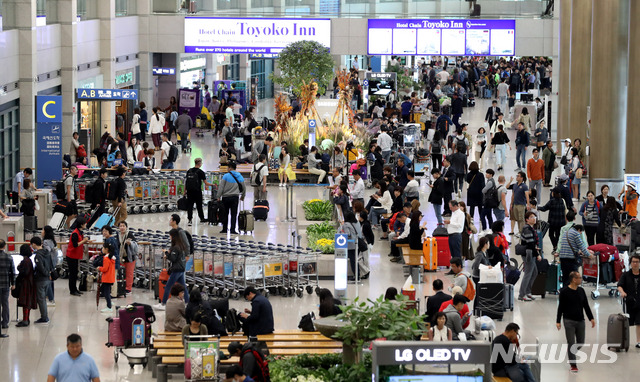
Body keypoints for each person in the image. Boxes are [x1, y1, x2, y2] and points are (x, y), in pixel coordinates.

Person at [556, 271, 596, 373]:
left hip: (580, 320)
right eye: (579, 278)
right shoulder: (564, 292)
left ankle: (570, 353)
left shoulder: (581, 291)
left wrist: (591, 318)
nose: (581, 279)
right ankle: (573, 364)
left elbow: (586, 306)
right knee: (571, 343)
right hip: (568, 321)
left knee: (580, 342)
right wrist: (558, 321)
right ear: (574, 279)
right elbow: (560, 307)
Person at [155, 228, 189, 310]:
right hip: (181, 269)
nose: (169, 237)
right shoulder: (181, 246)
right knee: (183, 286)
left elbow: (173, 258)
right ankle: (187, 302)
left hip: (176, 269)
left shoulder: (176, 247)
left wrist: (167, 254)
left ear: (173, 236)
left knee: (168, 286)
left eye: (170, 236)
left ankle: (163, 304)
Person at [558, 223, 593, 287]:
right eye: (581, 232)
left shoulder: (565, 233)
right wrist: (589, 255)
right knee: (574, 276)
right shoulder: (576, 234)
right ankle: (573, 291)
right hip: (571, 259)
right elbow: (581, 246)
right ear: (579, 230)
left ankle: (565, 291)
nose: (580, 234)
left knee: (565, 276)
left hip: (563, 258)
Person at [617, 255, 640, 349]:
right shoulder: (626, 275)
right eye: (633, 262)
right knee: (627, 322)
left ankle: (638, 341)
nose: (635, 264)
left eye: (637, 262)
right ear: (630, 263)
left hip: (639, 302)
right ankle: (624, 341)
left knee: (639, 322)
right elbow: (619, 285)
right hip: (629, 302)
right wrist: (622, 292)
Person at [218, 161, 246, 235]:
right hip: (235, 197)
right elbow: (244, 187)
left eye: (228, 167)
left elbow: (221, 187)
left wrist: (218, 196)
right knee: (234, 214)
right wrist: (243, 196)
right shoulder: (239, 175)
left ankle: (224, 229)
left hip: (225, 198)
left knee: (225, 213)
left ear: (230, 168)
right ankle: (233, 230)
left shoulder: (226, 176)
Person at [518, 212, 540, 301]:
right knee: (528, 273)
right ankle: (522, 294)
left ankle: (528, 291)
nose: (534, 218)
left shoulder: (531, 228)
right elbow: (530, 244)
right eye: (531, 217)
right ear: (527, 219)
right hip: (528, 254)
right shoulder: (527, 229)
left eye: (534, 217)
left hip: (531, 252)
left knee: (534, 272)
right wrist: (537, 255)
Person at [185, 158, 213, 226]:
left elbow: (186, 182)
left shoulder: (189, 171)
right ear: (200, 164)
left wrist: (184, 191)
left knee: (190, 206)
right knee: (199, 205)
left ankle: (189, 220)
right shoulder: (201, 172)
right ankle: (202, 218)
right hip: (197, 191)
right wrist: (212, 184)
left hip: (189, 191)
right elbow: (205, 183)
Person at [31, 237, 52, 324]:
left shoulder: (38, 255)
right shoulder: (47, 252)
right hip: (48, 279)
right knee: (43, 299)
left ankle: (44, 317)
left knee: (41, 299)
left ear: (34, 244)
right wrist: (49, 274)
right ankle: (44, 316)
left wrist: (45, 273)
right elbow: (51, 264)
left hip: (41, 279)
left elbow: (40, 268)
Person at [66, 216, 88, 296]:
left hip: (75, 256)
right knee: (72, 274)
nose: (86, 224)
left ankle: (75, 289)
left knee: (75, 273)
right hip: (71, 256)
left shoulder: (80, 232)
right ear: (81, 225)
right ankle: (72, 290)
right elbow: (75, 245)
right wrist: (84, 241)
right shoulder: (75, 233)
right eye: (84, 223)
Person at [15, 244, 36, 327]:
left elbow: (25, 272)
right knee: (27, 301)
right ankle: (26, 319)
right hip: (30, 282)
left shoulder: (25, 261)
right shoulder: (29, 260)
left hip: (26, 283)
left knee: (25, 301)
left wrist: (18, 268)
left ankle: (25, 320)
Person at [117, 221, 138, 293]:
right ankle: (121, 287)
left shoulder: (130, 235)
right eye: (120, 226)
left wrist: (130, 243)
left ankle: (128, 288)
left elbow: (135, 245)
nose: (122, 227)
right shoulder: (117, 235)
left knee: (129, 273)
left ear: (126, 227)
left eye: (123, 226)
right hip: (120, 257)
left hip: (129, 257)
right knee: (121, 273)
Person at [507, 172, 530, 236]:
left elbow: (527, 195)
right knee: (516, 218)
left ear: (522, 178)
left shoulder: (524, 186)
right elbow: (513, 195)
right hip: (515, 204)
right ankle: (519, 231)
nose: (517, 177)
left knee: (521, 219)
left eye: (518, 176)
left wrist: (528, 204)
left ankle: (521, 232)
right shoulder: (515, 185)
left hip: (521, 205)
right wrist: (511, 204)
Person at [97, 242, 116, 313]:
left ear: (106, 249)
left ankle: (109, 306)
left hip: (107, 278)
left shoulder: (106, 258)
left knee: (106, 293)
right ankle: (110, 302)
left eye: (103, 248)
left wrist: (99, 268)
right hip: (110, 278)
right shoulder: (112, 258)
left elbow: (105, 269)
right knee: (107, 291)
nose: (102, 249)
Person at [0, 240, 14, 331]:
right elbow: (12, 272)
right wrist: (13, 283)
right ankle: (5, 322)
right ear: (5, 246)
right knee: (5, 304)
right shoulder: (8, 257)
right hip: (5, 284)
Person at [445, 201, 465, 265]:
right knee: (453, 254)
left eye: (451, 207)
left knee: (457, 254)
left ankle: (459, 267)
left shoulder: (461, 214)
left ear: (455, 206)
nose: (450, 209)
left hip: (456, 235)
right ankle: (454, 268)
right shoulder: (453, 213)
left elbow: (460, 225)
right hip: (451, 235)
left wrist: (450, 222)